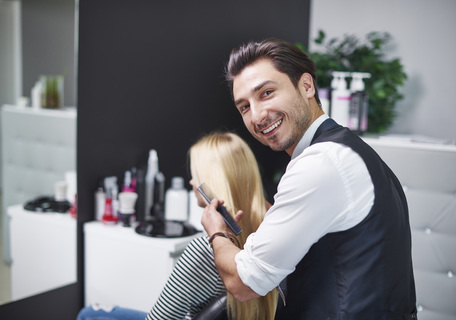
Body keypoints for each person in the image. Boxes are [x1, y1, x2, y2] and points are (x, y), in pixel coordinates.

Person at [201, 38, 418, 319]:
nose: (257, 116)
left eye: (266, 93)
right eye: (244, 107)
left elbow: (243, 283)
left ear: (306, 86)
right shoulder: (346, 150)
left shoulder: (320, 163)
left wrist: (216, 232)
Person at [76, 132, 278, 320]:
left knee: (89, 314)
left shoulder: (204, 250)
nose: (191, 181)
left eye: (197, 176)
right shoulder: (271, 230)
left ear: (211, 183)